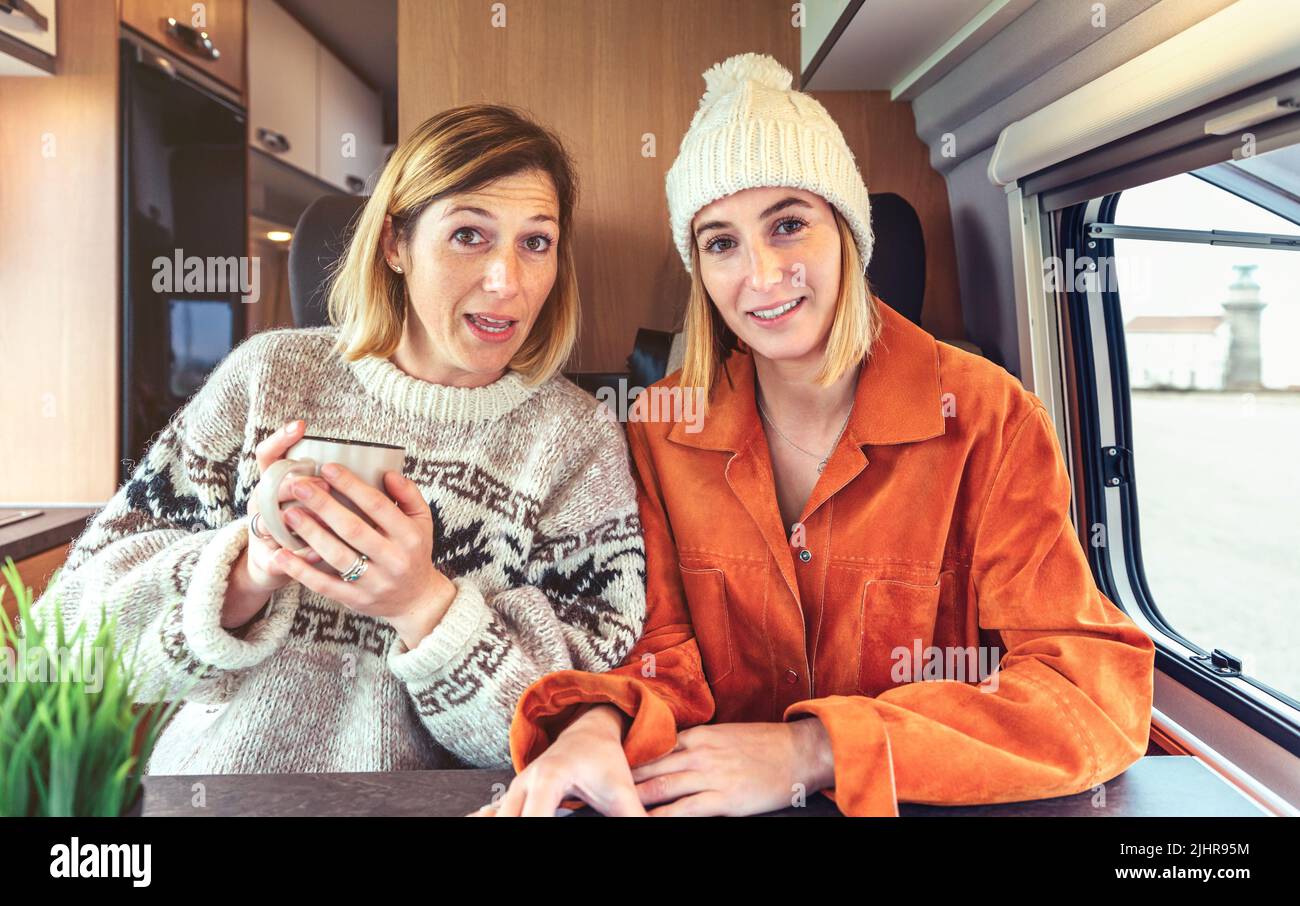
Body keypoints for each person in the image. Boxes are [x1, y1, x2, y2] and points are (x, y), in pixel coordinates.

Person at [487, 53, 1156, 816]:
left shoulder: (988, 420)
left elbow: (1087, 691)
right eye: (722, 241)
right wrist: (599, 722)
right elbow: (657, 656)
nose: (763, 274)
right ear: (699, 268)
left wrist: (820, 748)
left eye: (789, 224)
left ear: (848, 232)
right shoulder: (659, 435)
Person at [28, 104, 647, 775]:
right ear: (395, 245)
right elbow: (66, 641)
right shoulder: (267, 378)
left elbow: (570, 738)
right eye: (469, 234)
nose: (508, 281)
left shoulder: (577, 438)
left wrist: (422, 605)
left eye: (536, 242)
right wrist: (245, 571)